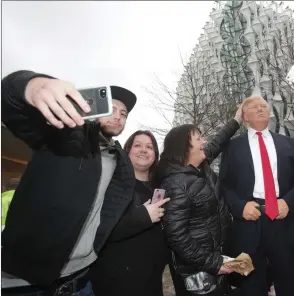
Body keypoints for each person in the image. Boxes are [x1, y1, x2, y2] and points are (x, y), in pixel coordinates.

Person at [1, 70, 137, 296]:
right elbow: (12, 107)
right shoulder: (63, 134)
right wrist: (34, 86)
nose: (118, 116)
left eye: (123, 114)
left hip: (82, 278)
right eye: (111, 109)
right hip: (25, 281)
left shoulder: (120, 161)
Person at [220, 96, 294, 296]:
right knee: (250, 284)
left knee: (289, 283)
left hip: (282, 219)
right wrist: (239, 206)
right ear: (244, 117)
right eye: (254, 107)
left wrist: (288, 202)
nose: (260, 109)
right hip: (248, 222)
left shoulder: (288, 143)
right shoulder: (232, 147)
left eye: (264, 106)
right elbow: (224, 185)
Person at [155, 106, 242, 296]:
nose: (204, 141)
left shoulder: (200, 166)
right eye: (198, 139)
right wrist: (213, 262)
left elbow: (217, 142)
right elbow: (177, 237)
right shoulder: (175, 184)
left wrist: (236, 120)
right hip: (199, 273)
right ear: (185, 147)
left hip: (216, 262)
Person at [89, 130, 179, 295]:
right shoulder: (113, 186)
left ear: (155, 155)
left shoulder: (161, 188)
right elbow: (101, 232)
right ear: (127, 151)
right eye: (137, 145)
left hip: (152, 280)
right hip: (119, 283)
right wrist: (143, 216)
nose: (144, 150)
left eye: (149, 147)